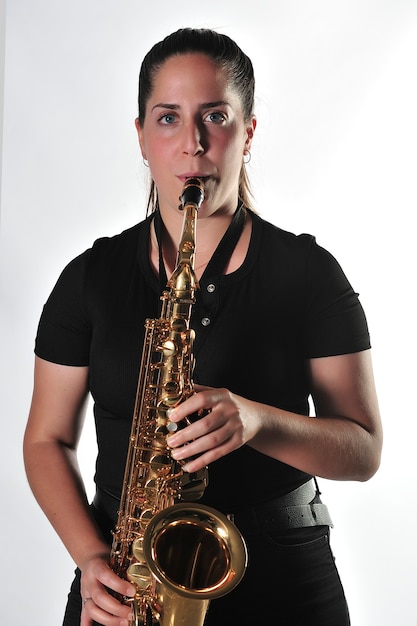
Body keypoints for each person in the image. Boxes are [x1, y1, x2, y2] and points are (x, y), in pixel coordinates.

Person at [23, 27, 383, 626]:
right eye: (167, 118)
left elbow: (364, 449)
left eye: (214, 116)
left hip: (285, 576)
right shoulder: (90, 277)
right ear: (141, 136)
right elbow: (45, 441)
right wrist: (90, 559)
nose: (192, 144)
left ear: (248, 133)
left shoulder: (309, 272)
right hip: (125, 575)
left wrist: (258, 421)